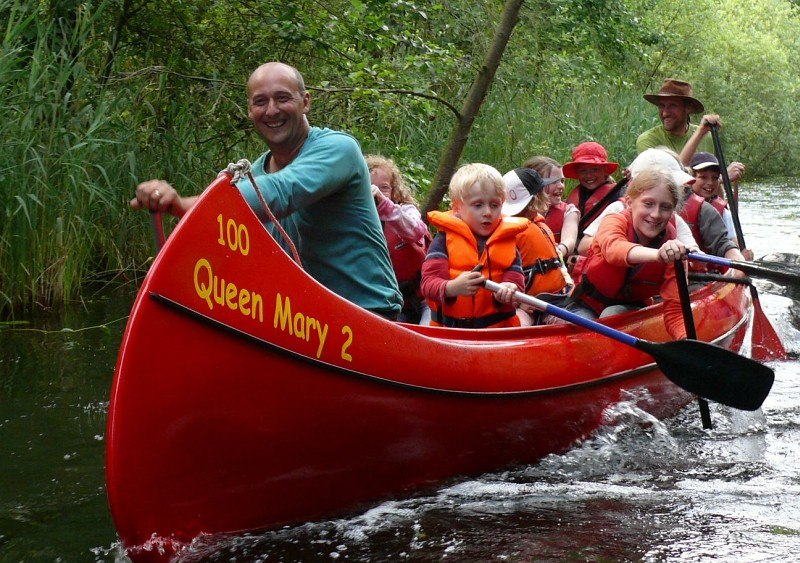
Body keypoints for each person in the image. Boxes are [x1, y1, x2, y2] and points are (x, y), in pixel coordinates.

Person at [130, 62, 402, 319]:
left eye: (282, 98)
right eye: (260, 102)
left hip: (368, 313)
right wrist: (162, 202)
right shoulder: (253, 174)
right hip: (300, 321)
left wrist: (180, 205)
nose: (272, 110)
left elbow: (278, 193)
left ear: (305, 101)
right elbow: (224, 233)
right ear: (249, 110)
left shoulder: (339, 149)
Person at [565, 168, 689, 340]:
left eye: (665, 207)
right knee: (581, 334)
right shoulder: (614, 221)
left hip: (630, 310)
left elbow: (676, 312)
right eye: (648, 204)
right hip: (586, 305)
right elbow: (614, 249)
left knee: (612, 313)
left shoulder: (674, 250)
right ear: (630, 203)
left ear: (673, 211)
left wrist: (685, 340)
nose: (655, 214)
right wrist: (657, 255)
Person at [421, 163, 527, 328]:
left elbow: (517, 283)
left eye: (494, 205)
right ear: (457, 208)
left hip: (497, 332)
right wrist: (452, 287)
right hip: (452, 331)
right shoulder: (442, 241)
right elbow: (428, 284)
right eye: (478, 205)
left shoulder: (508, 241)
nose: (487, 212)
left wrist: (509, 290)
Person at [577, 148, 700, 256]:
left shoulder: (673, 219)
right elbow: (583, 247)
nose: (656, 214)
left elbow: (695, 253)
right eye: (648, 203)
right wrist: (619, 241)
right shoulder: (617, 209)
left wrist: (688, 251)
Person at [636, 79, 744, 182]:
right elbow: (670, 183)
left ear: (689, 108)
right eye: (662, 106)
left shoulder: (706, 137)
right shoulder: (648, 140)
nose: (665, 113)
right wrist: (722, 178)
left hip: (700, 201)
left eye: (672, 106)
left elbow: (712, 188)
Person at [365, 154, 430, 323]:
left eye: (384, 187)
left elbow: (416, 230)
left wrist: (384, 205)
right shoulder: (355, 220)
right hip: (387, 303)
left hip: (424, 300)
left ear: (394, 190)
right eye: (369, 186)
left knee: (429, 330)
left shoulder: (406, 211)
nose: (377, 191)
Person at [501, 167, 571, 325]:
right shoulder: (508, 233)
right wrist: (520, 302)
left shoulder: (539, 225)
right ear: (533, 199)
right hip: (525, 305)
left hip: (555, 300)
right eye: (542, 192)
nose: (546, 195)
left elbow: (559, 266)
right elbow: (500, 277)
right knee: (518, 326)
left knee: (571, 326)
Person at [686, 152, 753, 261]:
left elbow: (733, 242)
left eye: (715, 178)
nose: (710, 183)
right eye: (703, 177)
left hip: (713, 270)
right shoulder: (677, 205)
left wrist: (742, 257)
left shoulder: (723, 212)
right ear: (691, 179)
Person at [563, 141, 624, 243]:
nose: (589, 175)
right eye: (583, 171)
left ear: (605, 171)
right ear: (577, 173)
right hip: (573, 243)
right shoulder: (577, 194)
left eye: (594, 169)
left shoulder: (618, 194)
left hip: (601, 244)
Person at [523, 155, 579, 258]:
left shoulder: (569, 211)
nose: (561, 186)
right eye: (553, 181)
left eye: (562, 181)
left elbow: (570, 240)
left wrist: (558, 250)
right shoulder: (518, 211)